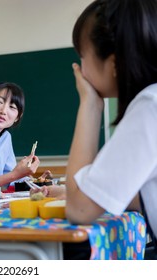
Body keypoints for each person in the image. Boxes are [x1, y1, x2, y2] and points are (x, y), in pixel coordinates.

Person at [34, 0, 157, 259]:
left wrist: (90, 106)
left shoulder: (150, 106)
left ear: (113, 63)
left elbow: (79, 211)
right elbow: (143, 192)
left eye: (82, 56)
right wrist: (73, 191)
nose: (79, 68)